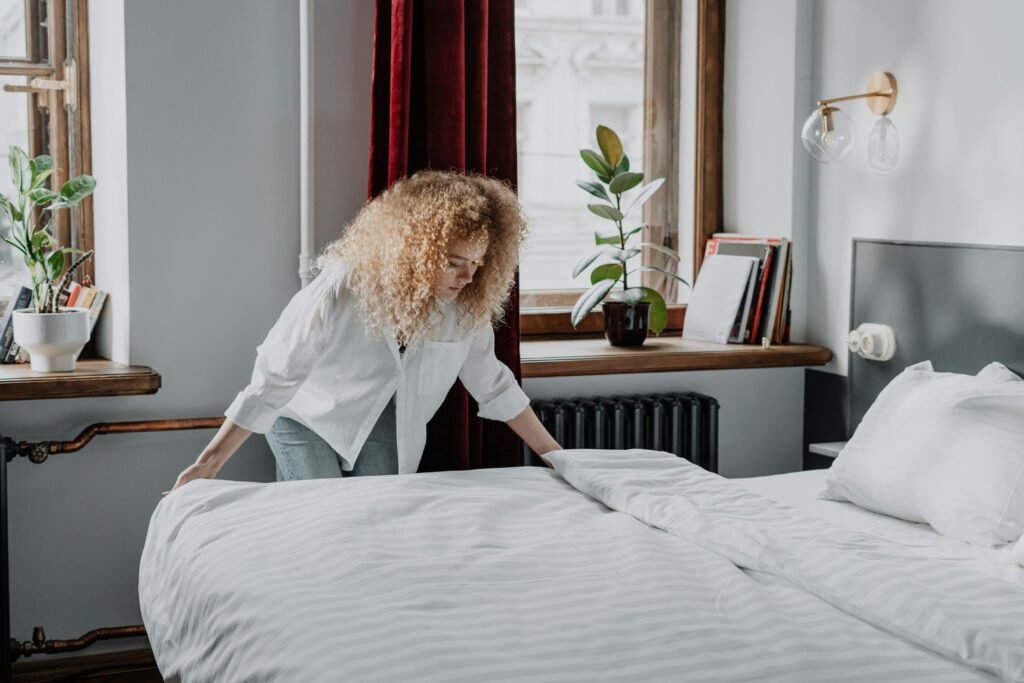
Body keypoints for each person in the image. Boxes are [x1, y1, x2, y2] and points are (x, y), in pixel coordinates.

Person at [170, 170, 561, 492]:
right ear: (416, 250)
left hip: (382, 420)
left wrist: (558, 458)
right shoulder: (344, 286)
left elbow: (494, 385)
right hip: (307, 415)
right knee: (321, 517)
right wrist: (207, 464)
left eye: (477, 263)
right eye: (454, 262)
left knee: (377, 514)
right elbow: (274, 378)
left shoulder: (464, 306)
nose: (468, 276)